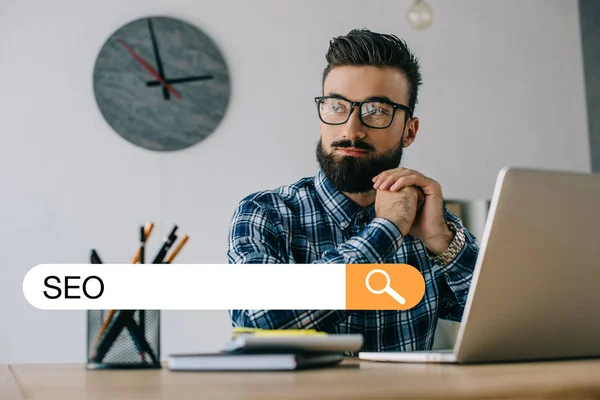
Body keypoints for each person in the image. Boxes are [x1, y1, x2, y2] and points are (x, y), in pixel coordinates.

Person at [226, 29, 479, 352]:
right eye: (336, 106)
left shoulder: (427, 223)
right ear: (321, 119)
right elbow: (257, 322)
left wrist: (444, 244)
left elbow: (509, 321)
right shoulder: (267, 213)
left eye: (376, 111)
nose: (351, 130)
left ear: (409, 131)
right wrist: (385, 231)